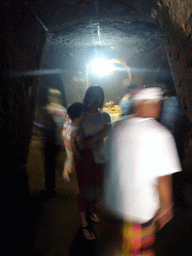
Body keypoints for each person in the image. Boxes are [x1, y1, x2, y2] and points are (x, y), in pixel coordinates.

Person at [104, 87, 182, 255]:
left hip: (114, 206)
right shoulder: (160, 134)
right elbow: (164, 177)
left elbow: (105, 161)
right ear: (140, 104)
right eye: (155, 103)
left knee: (119, 247)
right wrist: (166, 207)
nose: (159, 108)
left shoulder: (117, 127)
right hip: (140, 211)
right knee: (140, 251)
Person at [75, 85, 111, 241]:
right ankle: (84, 223)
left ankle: (90, 212)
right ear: (87, 96)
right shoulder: (80, 115)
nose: (96, 99)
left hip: (99, 158)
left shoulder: (104, 116)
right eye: (93, 95)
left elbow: (109, 128)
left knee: (96, 188)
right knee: (84, 190)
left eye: (99, 96)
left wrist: (94, 139)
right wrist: (79, 153)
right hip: (84, 158)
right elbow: (72, 137)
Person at [61, 102, 84, 182]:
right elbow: (72, 142)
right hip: (72, 147)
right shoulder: (76, 129)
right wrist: (77, 153)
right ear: (77, 118)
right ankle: (66, 172)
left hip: (67, 142)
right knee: (71, 160)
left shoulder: (69, 122)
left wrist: (64, 139)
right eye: (83, 114)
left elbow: (63, 128)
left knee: (69, 158)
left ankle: (66, 171)